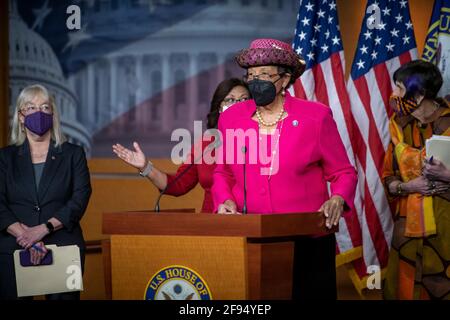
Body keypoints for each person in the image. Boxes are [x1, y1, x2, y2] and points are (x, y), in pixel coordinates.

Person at [212, 39, 358, 299]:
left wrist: (338, 197)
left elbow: (343, 172)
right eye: (251, 76)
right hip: (252, 237)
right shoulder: (231, 118)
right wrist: (224, 201)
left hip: (307, 239)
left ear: (285, 78)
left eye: (264, 75)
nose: (256, 81)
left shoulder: (316, 116)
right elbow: (223, 173)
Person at [0, 84, 92, 300]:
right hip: (13, 246)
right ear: (21, 117)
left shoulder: (73, 154)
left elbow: (80, 198)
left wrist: (44, 229)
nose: (38, 113)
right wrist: (25, 235)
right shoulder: (5, 158)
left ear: (53, 114)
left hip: (62, 245)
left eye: (44, 107)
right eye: (30, 108)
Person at [112, 78, 249, 212]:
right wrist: (146, 167)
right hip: (211, 225)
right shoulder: (206, 144)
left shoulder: (261, 141)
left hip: (251, 220)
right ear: (219, 107)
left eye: (244, 99)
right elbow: (179, 184)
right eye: (230, 100)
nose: (237, 104)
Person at [382, 60, 450, 300]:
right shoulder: (399, 125)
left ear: (419, 95)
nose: (394, 94)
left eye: (399, 88)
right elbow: (388, 176)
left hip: (445, 234)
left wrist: (447, 176)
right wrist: (405, 186)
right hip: (406, 232)